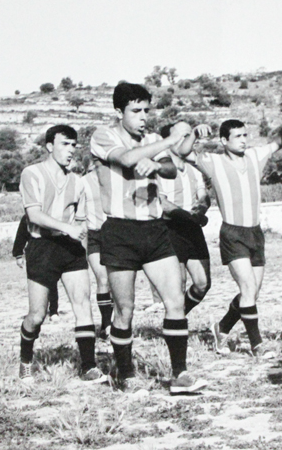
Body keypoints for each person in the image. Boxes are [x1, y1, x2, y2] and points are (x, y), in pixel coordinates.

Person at [90, 82, 206, 394]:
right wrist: (170, 139)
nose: (143, 117)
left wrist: (157, 163)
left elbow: (171, 169)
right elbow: (128, 159)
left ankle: (180, 374)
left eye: (146, 110)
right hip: (120, 231)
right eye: (135, 111)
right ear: (119, 112)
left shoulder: (153, 140)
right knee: (125, 310)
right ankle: (126, 374)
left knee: (175, 301)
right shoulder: (103, 135)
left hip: (154, 230)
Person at [177, 117, 282, 358]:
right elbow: (183, 151)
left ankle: (221, 328)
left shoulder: (255, 155)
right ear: (224, 140)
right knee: (248, 287)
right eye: (238, 136)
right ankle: (257, 345)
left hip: (256, 233)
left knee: (251, 293)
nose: (243, 140)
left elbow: (278, 142)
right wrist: (194, 134)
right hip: (233, 234)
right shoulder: (213, 161)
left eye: (245, 135)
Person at [17, 124, 105, 384]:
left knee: (83, 304)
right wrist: (67, 227)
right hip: (41, 247)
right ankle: (25, 360)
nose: (70, 150)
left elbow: (80, 221)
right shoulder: (32, 173)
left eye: (73, 145)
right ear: (49, 146)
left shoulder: (78, 182)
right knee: (37, 316)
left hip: (70, 248)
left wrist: (79, 234)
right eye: (64, 144)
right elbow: (33, 215)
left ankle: (88, 366)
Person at [158, 123, 212, 316]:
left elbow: (203, 196)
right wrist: (189, 217)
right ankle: (175, 324)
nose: (189, 140)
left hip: (192, 227)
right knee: (177, 285)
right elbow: (162, 203)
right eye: (183, 136)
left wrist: (201, 209)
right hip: (169, 228)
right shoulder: (161, 168)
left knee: (203, 283)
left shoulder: (194, 168)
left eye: (190, 135)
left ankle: (178, 318)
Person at [82, 164, 113, 340]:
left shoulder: (114, 179)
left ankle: (114, 321)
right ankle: (106, 324)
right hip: (93, 235)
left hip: (114, 233)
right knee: (103, 278)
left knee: (115, 280)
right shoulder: (83, 182)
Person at [12, 214, 61, 322]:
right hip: (34, 255)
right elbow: (21, 236)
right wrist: (18, 254)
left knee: (52, 283)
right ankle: (36, 310)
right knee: (36, 284)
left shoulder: (53, 215)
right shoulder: (28, 217)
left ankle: (53, 310)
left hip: (52, 252)